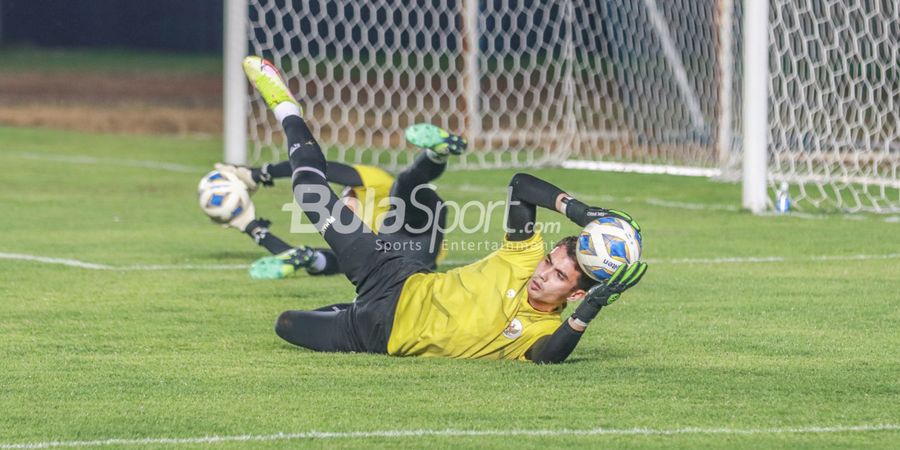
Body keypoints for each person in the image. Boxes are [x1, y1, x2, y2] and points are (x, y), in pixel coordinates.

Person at [243, 55, 648, 363]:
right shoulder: (524, 257)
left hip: (377, 332)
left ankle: (337, 286)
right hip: (397, 271)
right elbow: (521, 186)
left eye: (558, 275)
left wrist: (590, 311)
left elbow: (549, 355)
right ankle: (285, 107)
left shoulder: (541, 329)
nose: (544, 274)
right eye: (550, 262)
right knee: (311, 192)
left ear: (575, 294)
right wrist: (579, 211)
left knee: (288, 324)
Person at [212, 122, 466, 279]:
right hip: (405, 258)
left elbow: (315, 168)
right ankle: (311, 259)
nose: (344, 209)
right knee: (347, 259)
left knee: (404, 187)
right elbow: (295, 257)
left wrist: (258, 173)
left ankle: (437, 152)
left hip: (418, 223)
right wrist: (251, 226)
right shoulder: (352, 230)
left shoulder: (374, 182)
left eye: (345, 201)